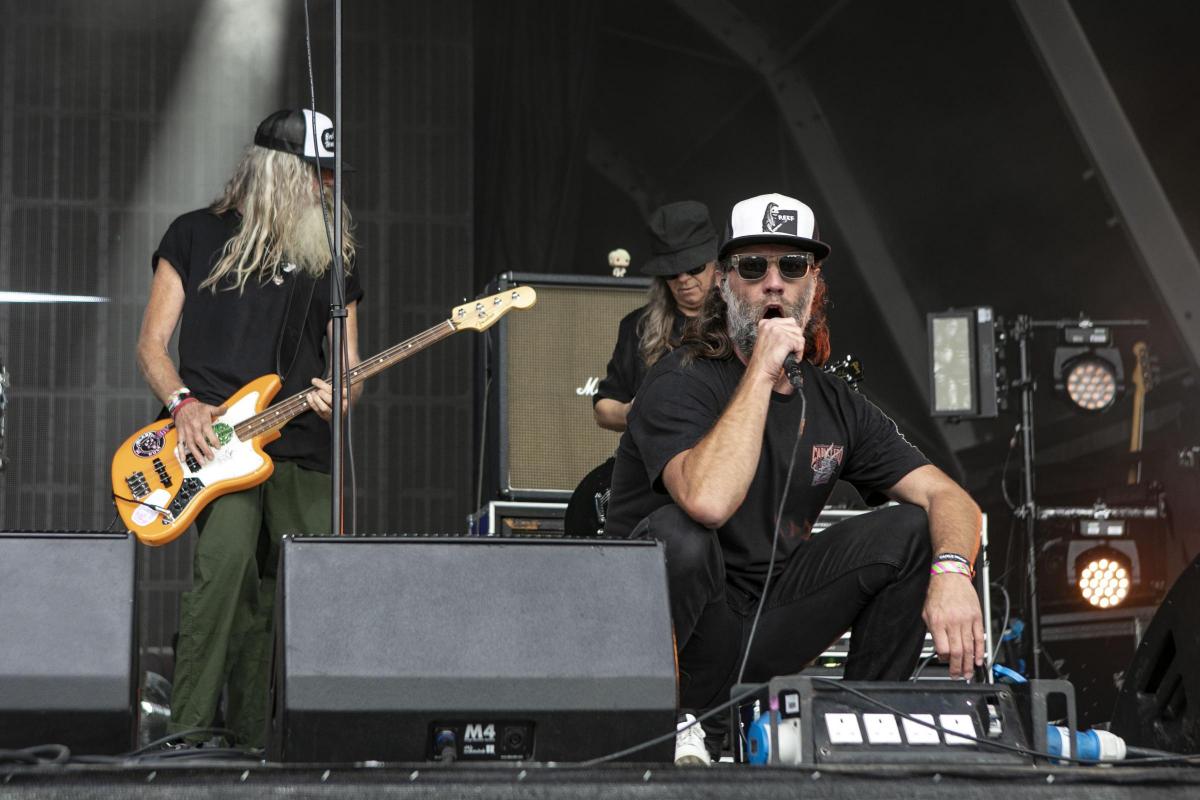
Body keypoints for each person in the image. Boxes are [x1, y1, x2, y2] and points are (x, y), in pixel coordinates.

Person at [604, 192, 984, 765]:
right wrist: (761, 367)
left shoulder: (834, 402)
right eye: (754, 268)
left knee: (914, 530)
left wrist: (953, 570)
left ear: (815, 283)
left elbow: (949, 496)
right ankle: (673, 721)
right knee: (679, 534)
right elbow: (707, 501)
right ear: (727, 283)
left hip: (766, 619)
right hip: (670, 635)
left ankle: (864, 734)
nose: (774, 284)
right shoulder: (678, 381)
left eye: (792, 267)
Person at [135, 108, 364, 749]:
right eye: (315, 173)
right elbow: (152, 346)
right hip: (214, 439)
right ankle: (184, 735)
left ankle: (258, 742)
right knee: (226, 563)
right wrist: (184, 404)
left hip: (300, 439)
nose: (326, 185)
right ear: (275, 169)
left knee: (291, 586)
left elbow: (350, 370)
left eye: (330, 174)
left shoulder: (330, 253)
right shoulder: (194, 234)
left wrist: (340, 396)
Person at [593, 201, 719, 432]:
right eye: (672, 272)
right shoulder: (638, 327)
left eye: (694, 268)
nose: (683, 278)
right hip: (652, 458)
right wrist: (630, 413)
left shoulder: (739, 322)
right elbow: (603, 408)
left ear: (715, 264)